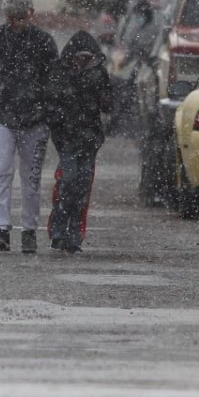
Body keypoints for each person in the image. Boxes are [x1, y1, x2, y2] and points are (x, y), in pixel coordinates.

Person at [0, 0, 59, 253]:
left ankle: (29, 229)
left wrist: (45, 111)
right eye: (13, 17)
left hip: (33, 119)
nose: (17, 22)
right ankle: (2, 227)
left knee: (30, 177)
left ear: (30, 14)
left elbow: (53, 81)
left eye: (21, 16)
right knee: (2, 171)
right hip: (1, 117)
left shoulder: (43, 43)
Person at [44, 29, 112, 254]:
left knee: (81, 186)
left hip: (88, 139)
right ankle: (60, 231)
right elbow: (52, 104)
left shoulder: (98, 75)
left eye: (86, 58)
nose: (82, 62)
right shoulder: (60, 73)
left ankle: (73, 234)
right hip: (69, 139)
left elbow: (108, 105)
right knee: (68, 182)